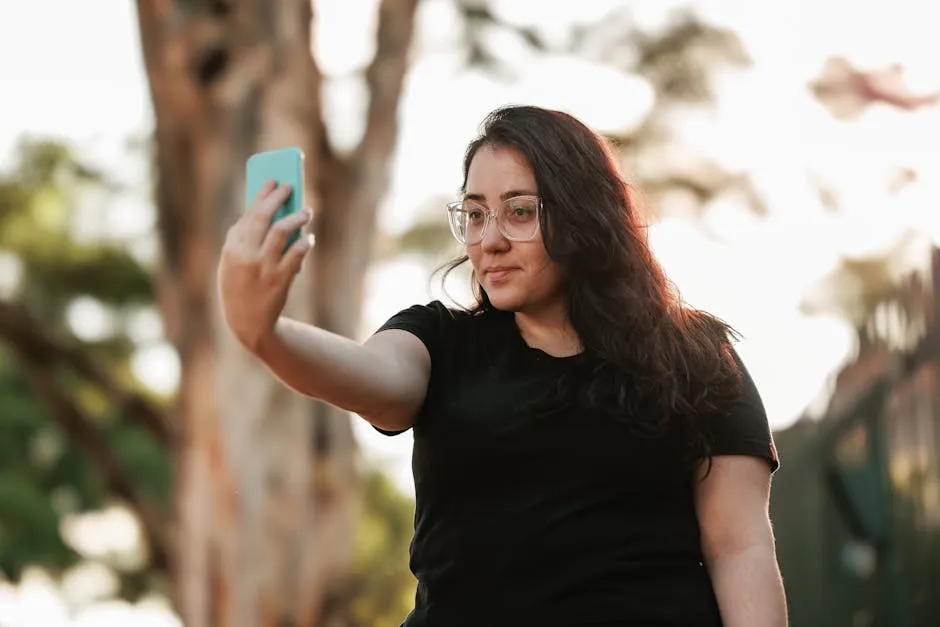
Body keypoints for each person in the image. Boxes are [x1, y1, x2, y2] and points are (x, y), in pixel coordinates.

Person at [218, 105, 788, 626]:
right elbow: (375, 378)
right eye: (473, 214)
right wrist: (264, 334)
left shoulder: (696, 356)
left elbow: (739, 547)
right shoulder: (440, 340)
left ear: (584, 214)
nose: (488, 240)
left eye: (519, 212)